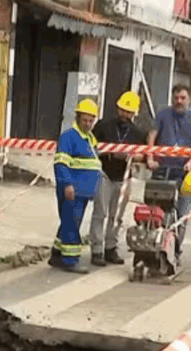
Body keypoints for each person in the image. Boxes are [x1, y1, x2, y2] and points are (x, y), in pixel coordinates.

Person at [147, 84, 191, 265]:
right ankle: (153, 247)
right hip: (162, 171)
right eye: (176, 98)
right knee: (156, 212)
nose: (179, 101)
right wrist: (150, 158)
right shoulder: (163, 114)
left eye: (182, 98)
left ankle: (176, 251)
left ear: (188, 99)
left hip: (185, 174)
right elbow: (151, 137)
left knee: (182, 214)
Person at [89, 91, 146, 267]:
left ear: (134, 113)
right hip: (104, 173)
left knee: (117, 216)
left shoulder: (138, 133)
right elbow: (91, 147)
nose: (124, 115)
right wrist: (109, 153)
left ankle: (110, 248)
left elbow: (143, 155)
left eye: (128, 112)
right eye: (122, 110)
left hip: (124, 178)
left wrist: (130, 156)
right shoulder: (103, 126)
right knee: (100, 213)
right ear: (117, 108)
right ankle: (96, 250)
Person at [50, 99, 102, 274]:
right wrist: (67, 184)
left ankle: (57, 254)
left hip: (82, 191)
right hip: (72, 190)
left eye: (91, 120)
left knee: (68, 221)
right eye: (85, 120)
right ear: (78, 118)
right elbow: (61, 164)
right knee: (72, 224)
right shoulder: (69, 137)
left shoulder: (90, 138)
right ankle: (71, 260)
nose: (88, 124)